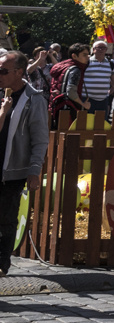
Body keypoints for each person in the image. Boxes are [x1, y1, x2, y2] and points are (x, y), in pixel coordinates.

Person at [0, 50, 48, 277]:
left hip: (13, 170)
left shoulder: (33, 98)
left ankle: (2, 264)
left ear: (19, 72)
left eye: (3, 71)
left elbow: (39, 139)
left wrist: (34, 170)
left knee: (7, 218)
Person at [48, 43, 90, 128]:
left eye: (88, 54)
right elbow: (71, 91)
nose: (88, 57)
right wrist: (83, 104)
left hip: (55, 106)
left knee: (55, 136)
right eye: (84, 55)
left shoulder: (62, 66)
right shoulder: (75, 70)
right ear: (74, 56)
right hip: (68, 108)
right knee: (69, 138)